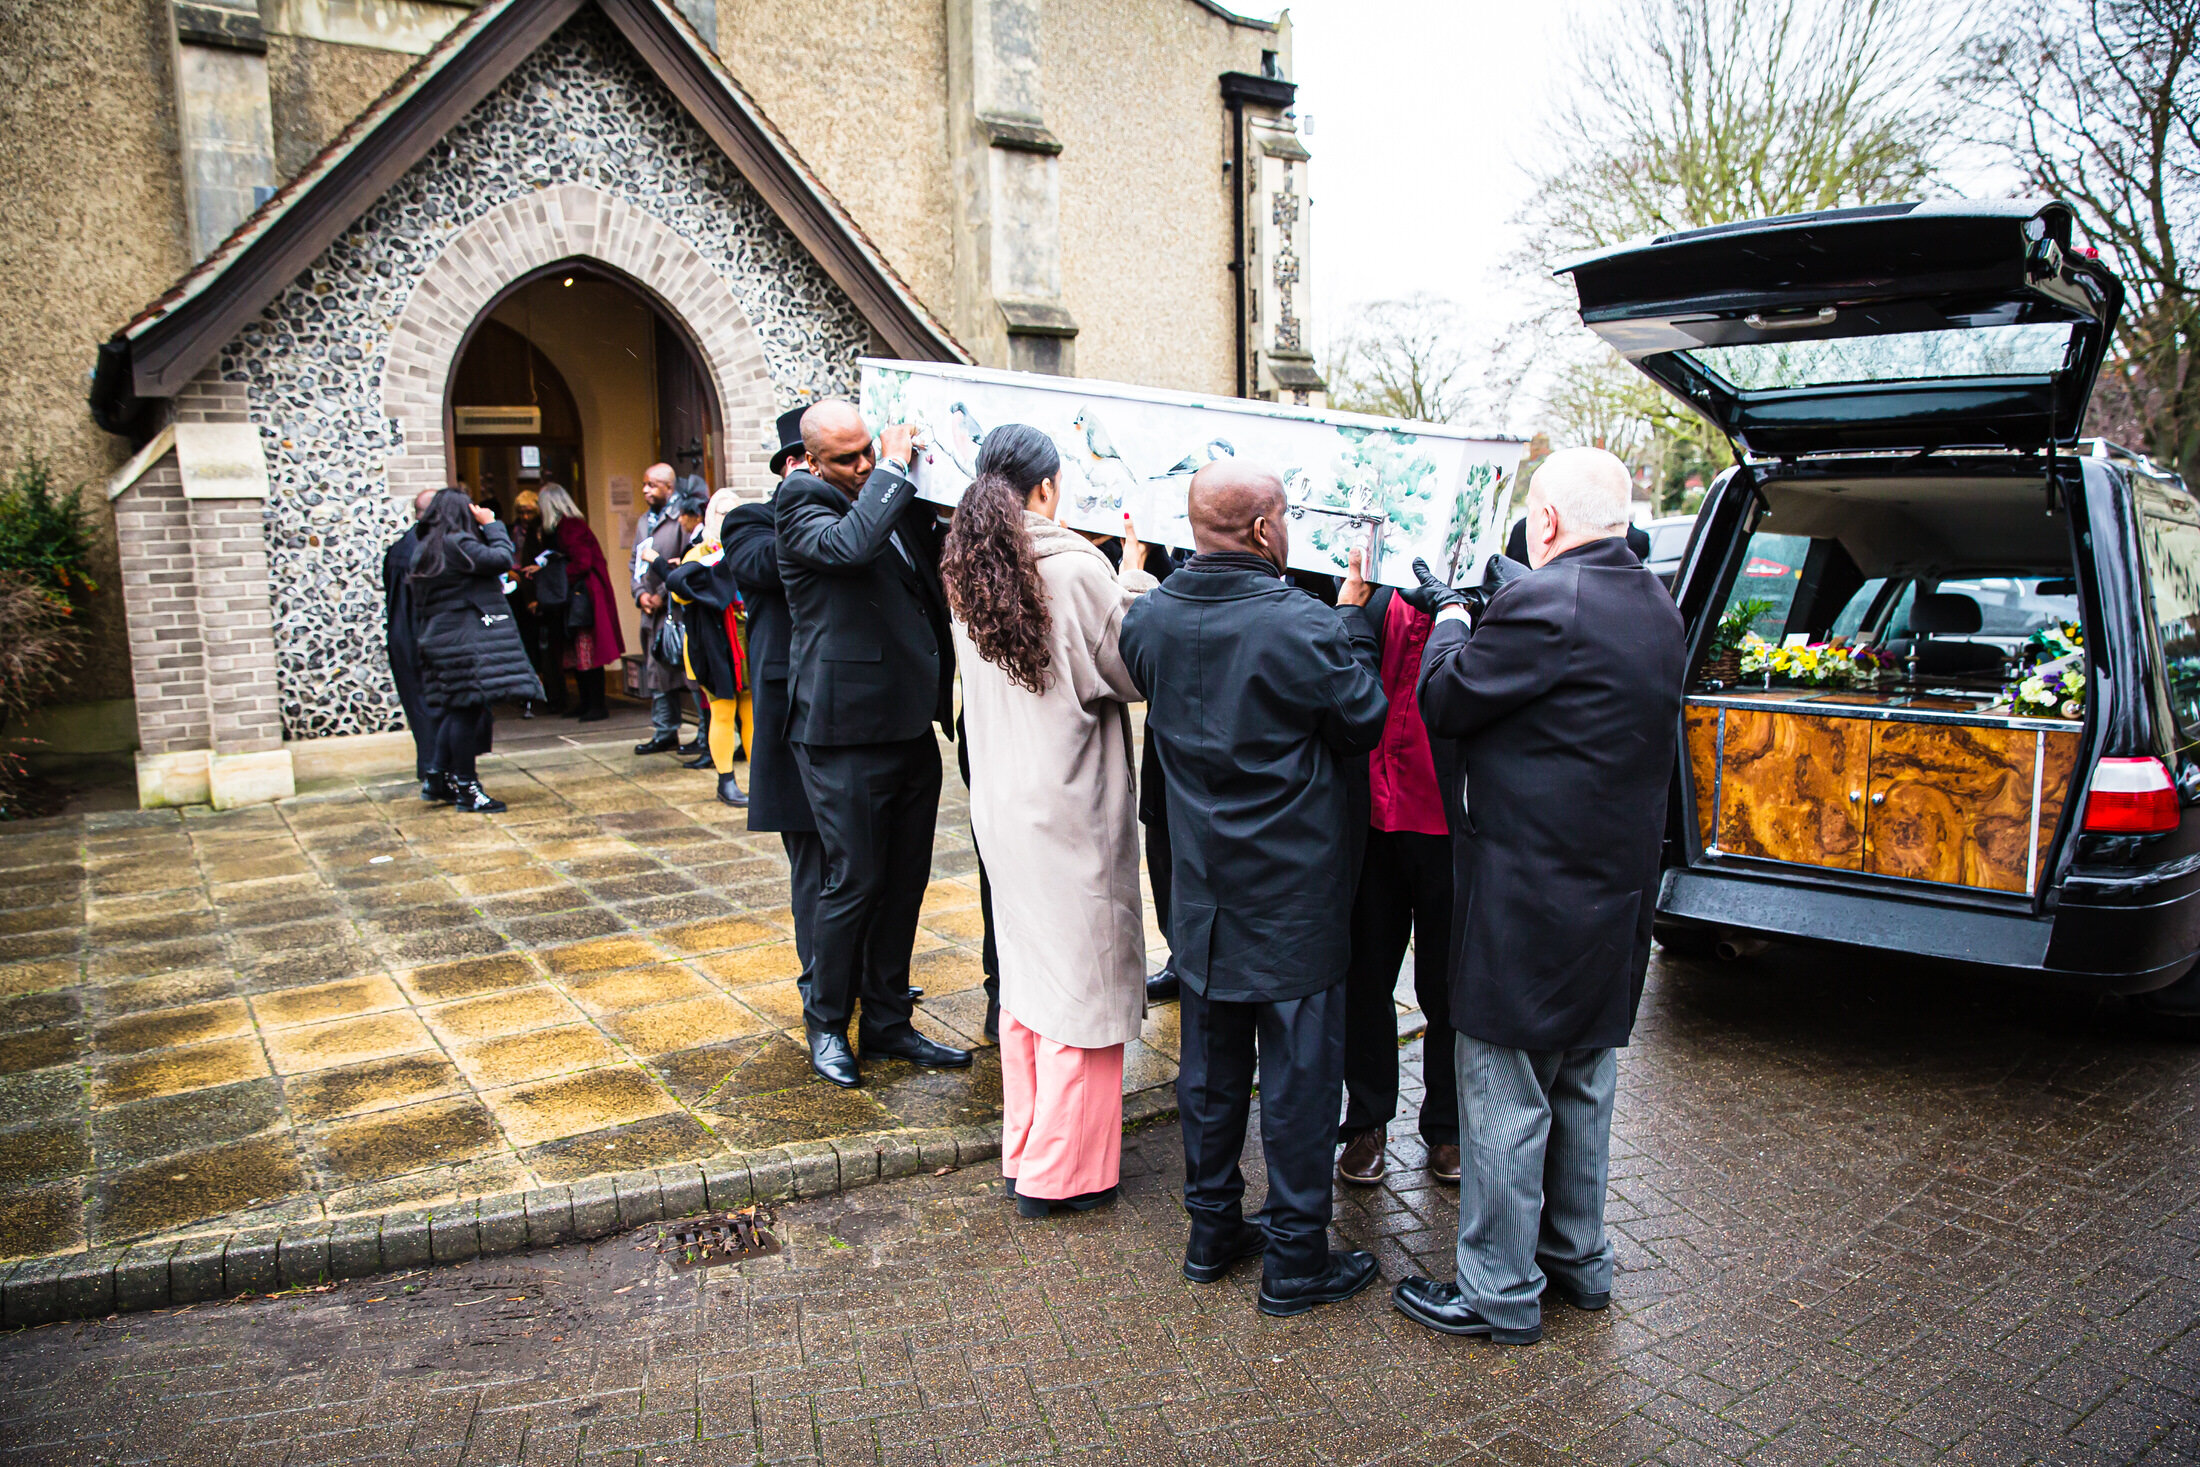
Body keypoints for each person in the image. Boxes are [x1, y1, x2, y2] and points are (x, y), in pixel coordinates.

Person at [1392, 447, 1685, 1346]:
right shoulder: (1658, 604)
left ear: (1545, 521)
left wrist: (1450, 610)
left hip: (1528, 906)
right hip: (1614, 901)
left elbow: (1445, 695)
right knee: (1585, 1087)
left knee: (1507, 1098)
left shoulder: (1546, 603)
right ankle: (1577, 1261)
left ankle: (1497, 1290)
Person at [1119, 460, 1389, 1317]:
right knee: (1301, 1076)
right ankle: (1297, 1259)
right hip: (1294, 887)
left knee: (1210, 1064)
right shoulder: (1303, 625)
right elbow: (1362, 719)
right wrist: (1354, 622)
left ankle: (1210, 1232)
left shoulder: (1150, 621)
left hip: (1202, 883)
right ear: (1268, 530)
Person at [941, 424, 1158, 1218]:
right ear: (1043, 489)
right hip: (1068, 798)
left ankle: (1027, 1145)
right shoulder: (1073, 567)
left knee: (1030, 980)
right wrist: (1132, 579)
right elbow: (1132, 669)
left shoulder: (968, 567)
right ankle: (1064, 1173)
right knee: (1082, 981)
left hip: (1003, 799)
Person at [776, 400, 971, 1088]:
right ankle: (828, 1022)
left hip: (909, 725)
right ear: (811, 461)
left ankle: (887, 1021)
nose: (862, 466)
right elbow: (849, 546)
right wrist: (890, 466)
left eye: (868, 452)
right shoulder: (800, 501)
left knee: (904, 883)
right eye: (847, 459)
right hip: (844, 735)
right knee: (853, 881)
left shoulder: (887, 498)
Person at [1336, 580, 1463, 1189]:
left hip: (1444, 823)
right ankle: (1366, 1121)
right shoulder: (1372, 595)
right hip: (1372, 821)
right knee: (1365, 980)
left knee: (1446, 987)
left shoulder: (1480, 602)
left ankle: (1447, 1126)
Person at [408, 488, 545, 813]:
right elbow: (500, 558)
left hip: (441, 640)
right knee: (467, 711)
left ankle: (438, 777)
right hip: (464, 642)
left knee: (458, 709)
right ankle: (468, 787)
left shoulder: (426, 547)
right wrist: (492, 524)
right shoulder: (457, 544)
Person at [663, 486, 749, 807]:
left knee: (752, 713)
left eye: (733, 510)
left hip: (747, 640)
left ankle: (760, 780)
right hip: (715, 644)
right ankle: (726, 782)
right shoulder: (699, 553)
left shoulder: (748, 547)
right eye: (721, 511)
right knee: (722, 712)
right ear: (710, 516)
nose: (727, 517)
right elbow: (679, 593)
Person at [539, 483, 623, 722]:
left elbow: (582, 562)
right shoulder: (569, 526)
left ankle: (595, 704)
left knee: (587, 650)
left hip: (584, 596)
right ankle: (587, 702)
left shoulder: (570, 527)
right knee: (578, 652)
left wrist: (554, 575)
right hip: (581, 595)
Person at [382, 488, 443, 800]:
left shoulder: (397, 550)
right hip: (424, 636)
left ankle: (431, 770)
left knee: (419, 708)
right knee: (436, 707)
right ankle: (437, 772)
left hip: (401, 637)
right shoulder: (429, 552)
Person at [632, 462, 693, 755]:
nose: (645, 490)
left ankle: (705, 736)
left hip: (676, 609)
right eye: (644, 484)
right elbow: (636, 562)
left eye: (652, 485)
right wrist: (640, 594)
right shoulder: (644, 521)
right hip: (651, 613)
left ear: (669, 488)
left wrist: (659, 593)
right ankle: (665, 731)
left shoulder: (681, 518)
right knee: (656, 673)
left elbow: (685, 561)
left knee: (689, 674)